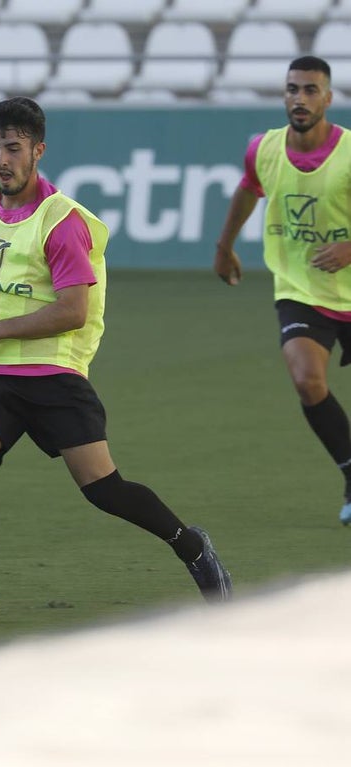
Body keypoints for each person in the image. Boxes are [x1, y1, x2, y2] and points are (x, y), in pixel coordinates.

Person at [0, 97, 232, 627]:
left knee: (104, 490)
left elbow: (73, 310)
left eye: (13, 148)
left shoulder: (62, 221)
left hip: (54, 376)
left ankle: (191, 545)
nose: (2, 160)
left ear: (38, 151)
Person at [213, 56, 351, 525]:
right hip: (301, 288)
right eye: (293, 89)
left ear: (328, 98)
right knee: (308, 381)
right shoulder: (263, 149)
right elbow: (248, 189)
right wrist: (225, 246)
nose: (300, 98)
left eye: (311, 90)